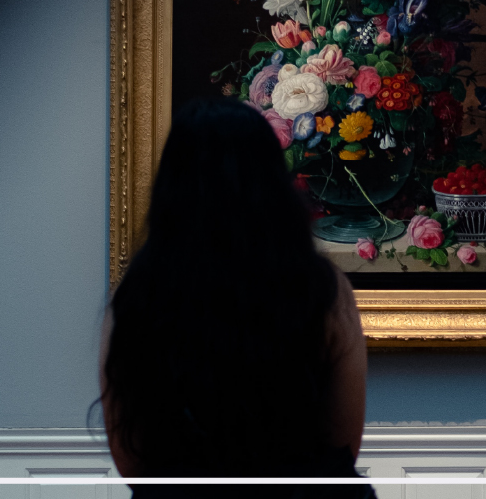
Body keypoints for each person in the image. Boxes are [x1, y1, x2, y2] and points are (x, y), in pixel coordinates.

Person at [100, 98, 374, 499]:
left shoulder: (139, 294)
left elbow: (131, 462)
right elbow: (342, 448)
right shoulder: (321, 289)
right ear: (272, 183)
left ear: (173, 185)